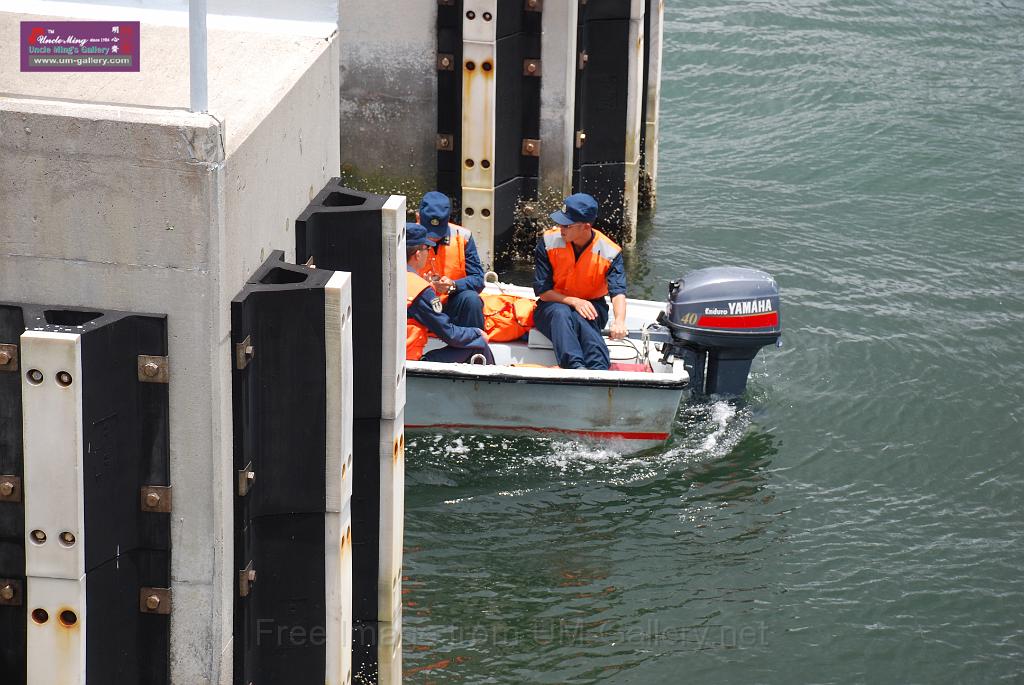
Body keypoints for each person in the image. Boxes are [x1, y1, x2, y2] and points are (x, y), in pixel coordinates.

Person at [533, 193, 628, 370]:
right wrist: (575, 301)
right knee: (562, 313)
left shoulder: (610, 252)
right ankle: (574, 368)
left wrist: (619, 321)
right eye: (560, 223)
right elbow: (543, 291)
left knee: (584, 316)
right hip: (552, 304)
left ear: (585, 227)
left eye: (567, 225)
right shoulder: (547, 241)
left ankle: (599, 368)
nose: (561, 228)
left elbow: (618, 291)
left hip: (593, 306)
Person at [406, 223, 494, 364]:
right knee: (478, 345)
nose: (429, 251)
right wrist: (477, 334)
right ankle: (492, 385)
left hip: (389, 356)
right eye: (427, 248)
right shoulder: (419, 289)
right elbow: (449, 333)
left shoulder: (388, 277)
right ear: (417, 254)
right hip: (408, 361)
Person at [416, 191, 486, 329]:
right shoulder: (406, 237)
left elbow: (478, 280)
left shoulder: (463, 237)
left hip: (449, 303)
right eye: (428, 230)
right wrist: (423, 286)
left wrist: (453, 285)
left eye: (438, 232)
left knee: (472, 300)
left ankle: (475, 347)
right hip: (418, 304)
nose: (433, 238)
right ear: (418, 217)